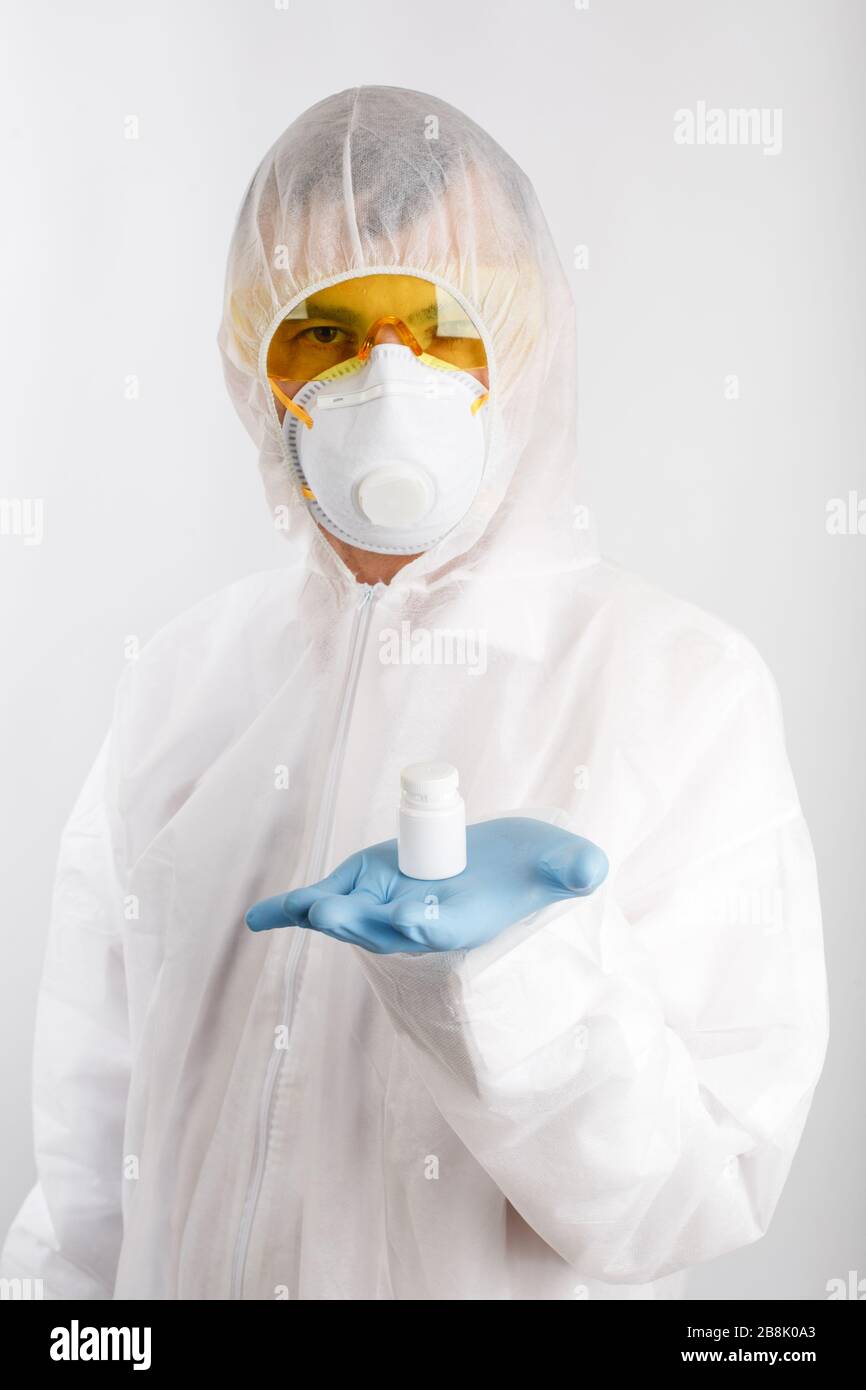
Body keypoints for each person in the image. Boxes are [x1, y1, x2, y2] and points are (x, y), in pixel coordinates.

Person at [1, 86, 828, 1301]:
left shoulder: (673, 686)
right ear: (255, 372)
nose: (388, 381)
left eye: (440, 327)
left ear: (524, 342)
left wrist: (510, 977)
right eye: (324, 333)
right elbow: (84, 1156)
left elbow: (697, 1192)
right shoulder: (182, 686)